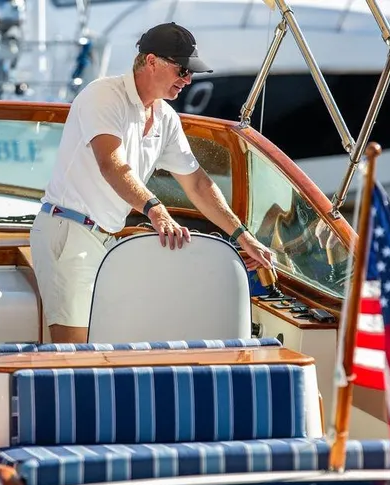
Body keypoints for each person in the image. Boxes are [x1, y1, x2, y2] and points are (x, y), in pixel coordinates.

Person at [30, 22, 275, 344]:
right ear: (151, 61)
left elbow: (198, 184)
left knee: (105, 346)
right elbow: (112, 164)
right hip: (69, 232)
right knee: (75, 352)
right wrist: (156, 210)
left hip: (106, 240)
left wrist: (243, 236)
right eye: (183, 70)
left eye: (191, 73)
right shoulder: (103, 95)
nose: (188, 80)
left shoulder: (165, 117)